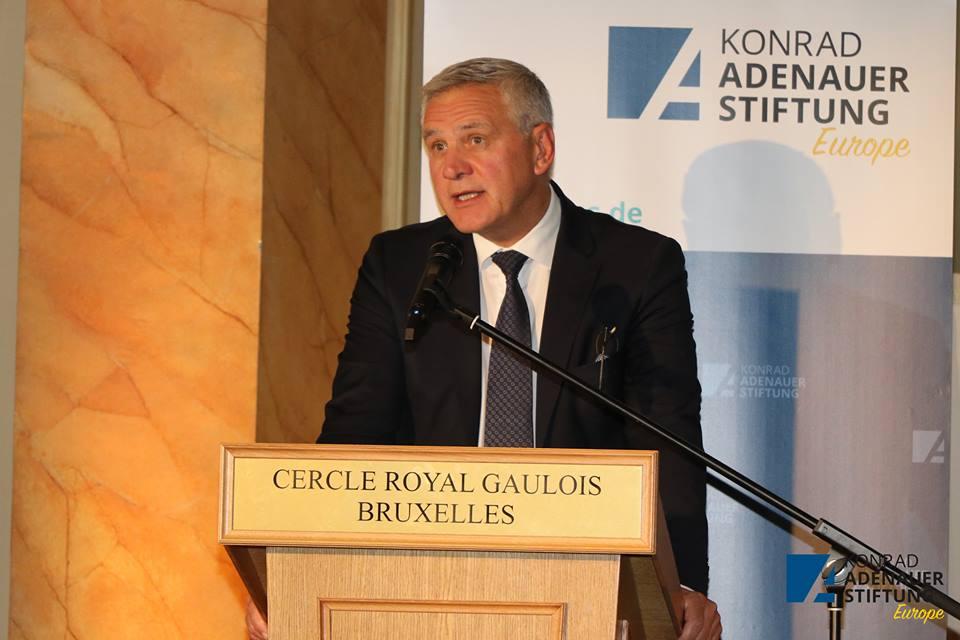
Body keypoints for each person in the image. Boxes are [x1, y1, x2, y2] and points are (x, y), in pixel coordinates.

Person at [247, 57, 720, 640]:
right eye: (437, 146)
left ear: (540, 148)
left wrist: (682, 585)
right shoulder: (400, 266)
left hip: (585, 582)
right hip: (425, 585)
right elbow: (355, 431)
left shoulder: (636, 264)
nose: (452, 167)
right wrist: (297, 574)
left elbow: (667, 435)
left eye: (475, 139)